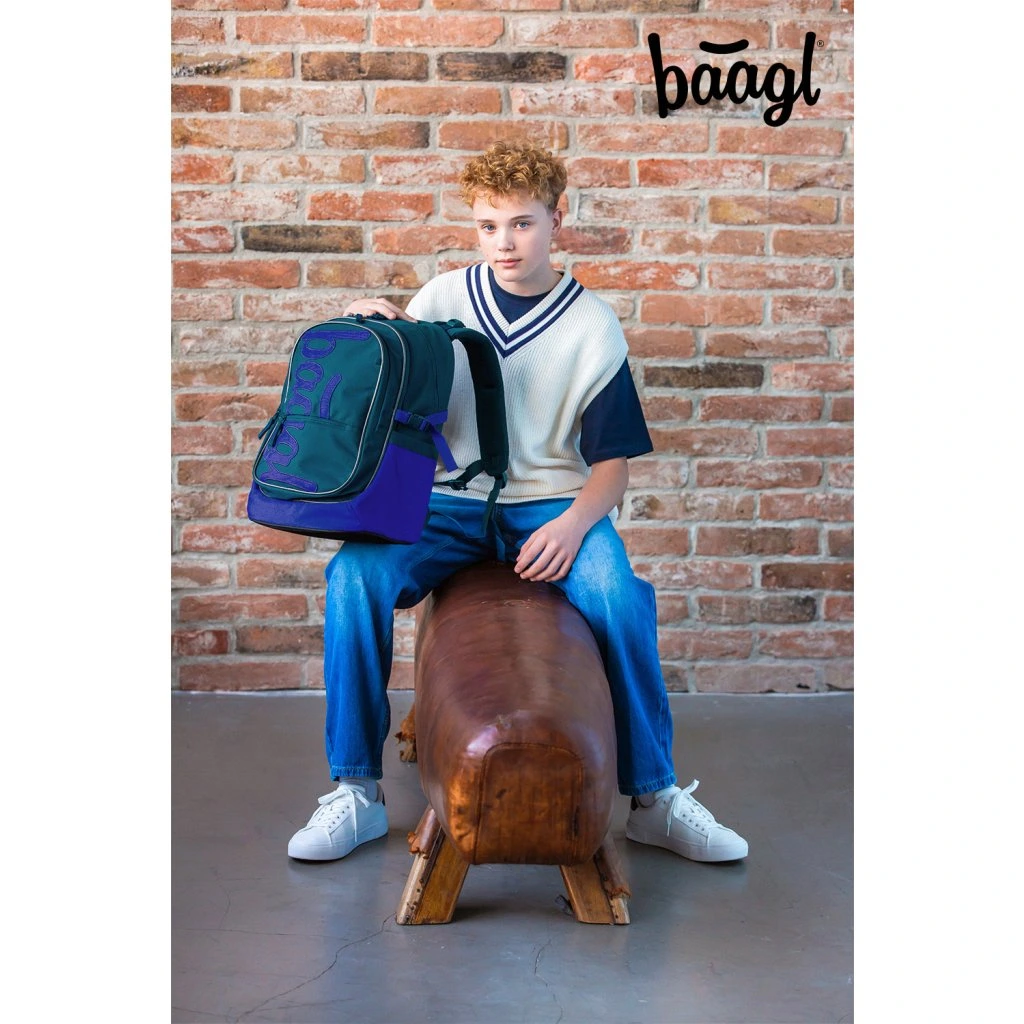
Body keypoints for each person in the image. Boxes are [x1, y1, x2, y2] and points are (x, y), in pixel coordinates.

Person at [287, 140, 748, 865]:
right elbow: (393, 408)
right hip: (445, 508)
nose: (504, 242)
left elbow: (613, 469)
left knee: (620, 595)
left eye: (522, 224)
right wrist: (372, 327)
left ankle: (654, 799)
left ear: (556, 221)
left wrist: (573, 524)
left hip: (550, 507)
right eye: (488, 226)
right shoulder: (441, 300)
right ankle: (356, 790)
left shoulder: (591, 325)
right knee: (351, 577)